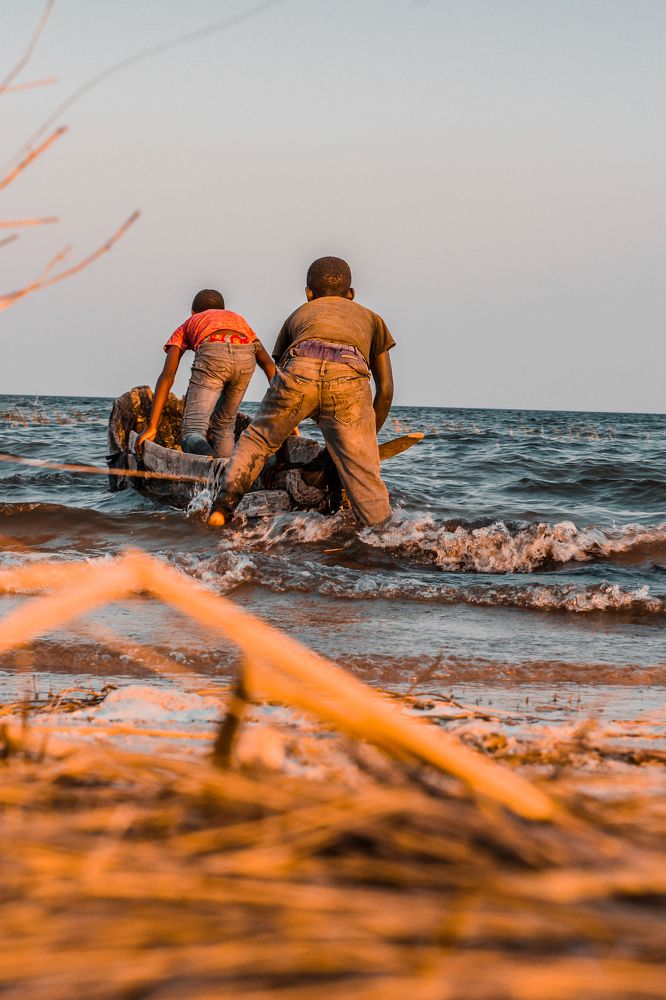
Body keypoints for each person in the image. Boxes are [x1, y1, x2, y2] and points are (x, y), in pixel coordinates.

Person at [207, 256, 395, 528]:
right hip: (349, 377)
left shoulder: (298, 315)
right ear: (351, 294)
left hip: (300, 367)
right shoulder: (372, 319)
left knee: (257, 439)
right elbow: (386, 390)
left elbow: (279, 380)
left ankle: (222, 508)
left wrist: (278, 447)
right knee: (365, 475)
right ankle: (384, 535)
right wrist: (364, 441)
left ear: (309, 293)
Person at [135, 288, 276, 458]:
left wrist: (152, 426)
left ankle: (213, 466)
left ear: (193, 312)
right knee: (224, 425)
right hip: (246, 356)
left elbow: (167, 376)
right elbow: (268, 364)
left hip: (213, 354)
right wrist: (282, 407)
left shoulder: (190, 322)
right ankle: (227, 472)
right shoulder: (238, 321)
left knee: (192, 431)